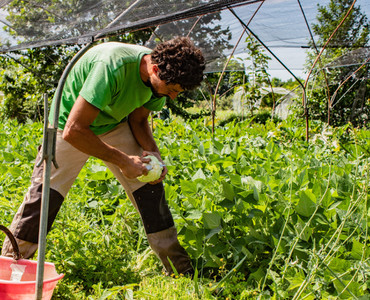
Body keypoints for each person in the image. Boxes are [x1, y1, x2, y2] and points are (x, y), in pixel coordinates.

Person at [1, 36, 205, 275]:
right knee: (45, 197)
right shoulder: (112, 66)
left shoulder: (159, 77)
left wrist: (154, 156)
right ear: (155, 69)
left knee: (150, 189)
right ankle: (10, 268)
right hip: (69, 124)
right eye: (171, 90)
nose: (172, 97)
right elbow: (74, 131)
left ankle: (180, 270)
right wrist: (123, 161)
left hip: (113, 123)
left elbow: (138, 120)